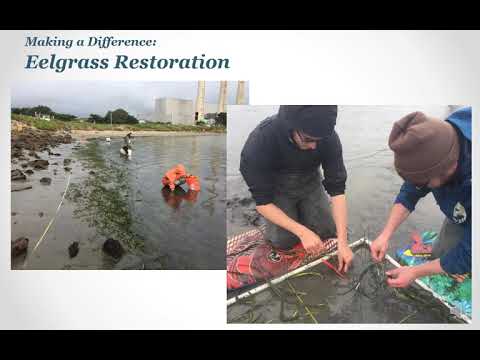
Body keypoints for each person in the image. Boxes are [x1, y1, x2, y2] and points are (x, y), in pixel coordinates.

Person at [240, 105, 353, 273]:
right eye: (308, 140)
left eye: (319, 140)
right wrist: (302, 232)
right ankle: (289, 219)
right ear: (291, 127)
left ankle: (302, 213)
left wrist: (343, 243)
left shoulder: (328, 137)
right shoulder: (261, 141)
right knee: (283, 243)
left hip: (310, 181)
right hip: (276, 187)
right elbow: (263, 202)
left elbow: (337, 191)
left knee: (328, 232)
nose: (314, 146)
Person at [370, 107, 471, 287]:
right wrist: (385, 235)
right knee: (444, 256)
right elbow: (410, 191)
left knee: (463, 259)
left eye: (425, 182)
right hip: (460, 204)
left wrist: (414, 272)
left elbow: (471, 251)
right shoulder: (436, 142)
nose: (420, 186)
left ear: (451, 167)